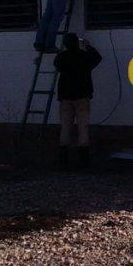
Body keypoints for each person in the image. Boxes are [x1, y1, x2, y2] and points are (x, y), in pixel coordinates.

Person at [54, 32, 102, 168]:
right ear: (76, 42)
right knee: (83, 127)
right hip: (82, 95)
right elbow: (98, 58)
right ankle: (83, 161)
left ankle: (63, 161)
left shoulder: (62, 57)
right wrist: (87, 46)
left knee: (65, 127)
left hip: (66, 96)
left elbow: (56, 63)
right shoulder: (84, 57)